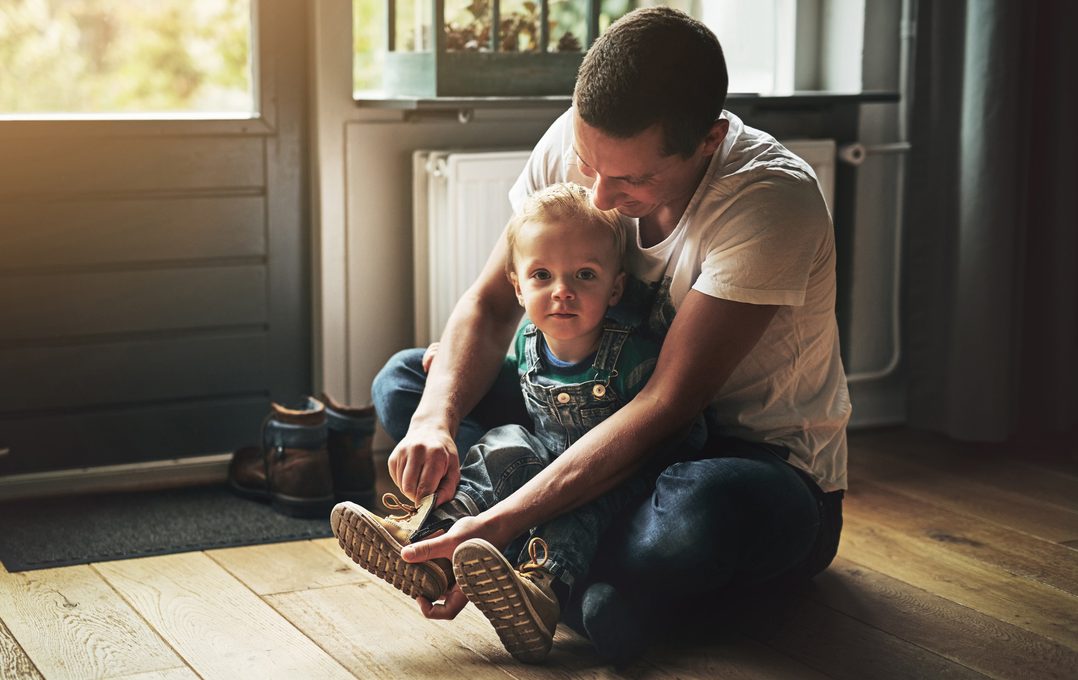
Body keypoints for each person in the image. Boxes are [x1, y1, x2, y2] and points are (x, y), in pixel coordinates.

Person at [368, 5, 850, 663]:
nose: (596, 192)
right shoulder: (577, 138)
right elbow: (489, 304)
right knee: (407, 382)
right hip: (584, 415)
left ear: (709, 140)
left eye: (631, 178)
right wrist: (433, 422)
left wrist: (506, 518)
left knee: (695, 514)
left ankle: (522, 555)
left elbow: (665, 407)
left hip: (741, 461)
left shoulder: (770, 200)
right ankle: (569, 576)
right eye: (589, 161)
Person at [333, 182, 700, 663]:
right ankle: (432, 540)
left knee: (577, 513)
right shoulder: (530, 337)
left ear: (615, 288)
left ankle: (539, 588)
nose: (562, 291)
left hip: (611, 477)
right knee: (503, 442)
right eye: (542, 275)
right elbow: (511, 375)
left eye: (585, 275)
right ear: (517, 286)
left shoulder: (633, 353)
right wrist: (450, 362)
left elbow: (673, 427)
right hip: (544, 454)